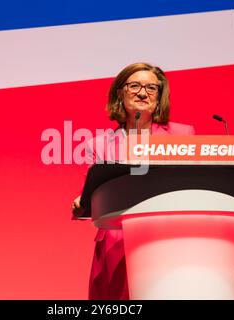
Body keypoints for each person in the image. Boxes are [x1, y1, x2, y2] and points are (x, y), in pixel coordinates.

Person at [71, 62, 196, 299]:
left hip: (167, 242)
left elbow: (201, 183)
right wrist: (82, 203)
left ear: (159, 97)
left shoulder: (182, 135)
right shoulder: (98, 145)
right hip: (116, 248)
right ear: (120, 92)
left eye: (151, 88)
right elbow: (91, 198)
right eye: (135, 85)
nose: (142, 93)